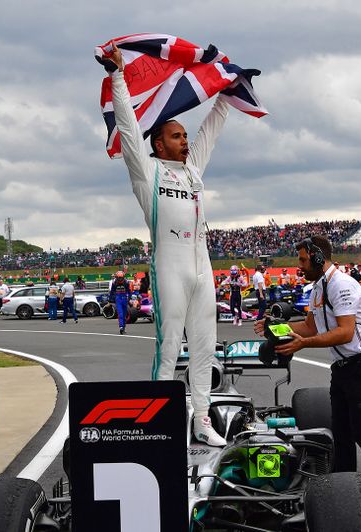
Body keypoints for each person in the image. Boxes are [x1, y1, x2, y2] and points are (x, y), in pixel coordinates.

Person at [107, 43, 228, 447]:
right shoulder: (147, 172)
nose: (185, 141)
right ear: (159, 143)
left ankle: (203, 419)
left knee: (205, 347)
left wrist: (229, 88)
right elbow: (126, 127)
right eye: (177, 136)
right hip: (169, 267)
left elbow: (212, 127)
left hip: (202, 267)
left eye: (185, 136)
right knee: (169, 347)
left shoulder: (194, 171)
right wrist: (118, 77)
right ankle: (162, 420)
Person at [254, 236, 361, 525]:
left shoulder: (343, 285)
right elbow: (310, 326)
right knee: (340, 435)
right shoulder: (317, 289)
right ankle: (346, 495)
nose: (299, 266)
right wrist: (274, 326)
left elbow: (345, 332)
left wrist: (303, 344)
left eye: (302, 260)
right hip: (342, 366)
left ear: (316, 257)